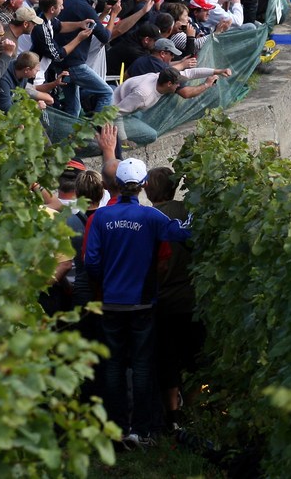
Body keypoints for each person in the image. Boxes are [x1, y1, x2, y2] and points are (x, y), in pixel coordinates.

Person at [83, 157, 192, 448]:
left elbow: (91, 261)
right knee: (143, 365)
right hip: (143, 303)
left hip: (110, 303)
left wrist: (106, 282)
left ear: (116, 184)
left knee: (114, 365)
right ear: (142, 185)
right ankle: (142, 430)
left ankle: (117, 428)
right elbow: (182, 232)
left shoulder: (100, 218)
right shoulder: (151, 217)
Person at [112, 65, 231, 113]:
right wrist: (124, 138)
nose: (179, 86)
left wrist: (218, 71)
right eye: (177, 84)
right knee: (150, 135)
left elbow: (191, 73)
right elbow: (117, 113)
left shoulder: (160, 76)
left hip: (133, 108)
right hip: (116, 108)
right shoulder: (143, 94)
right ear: (169, 84)